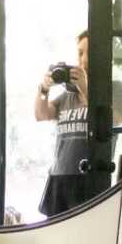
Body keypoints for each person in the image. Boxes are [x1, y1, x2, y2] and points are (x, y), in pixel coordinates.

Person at [32, 31, 107, 216]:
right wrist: (44, 89)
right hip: (59, 175)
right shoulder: (67, 96)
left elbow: (108, 119)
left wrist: (85, 87)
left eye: (90, 52)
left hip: (91, 177)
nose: (84, 59)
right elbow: (41, 114)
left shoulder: (113, 89)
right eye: (80, 53)